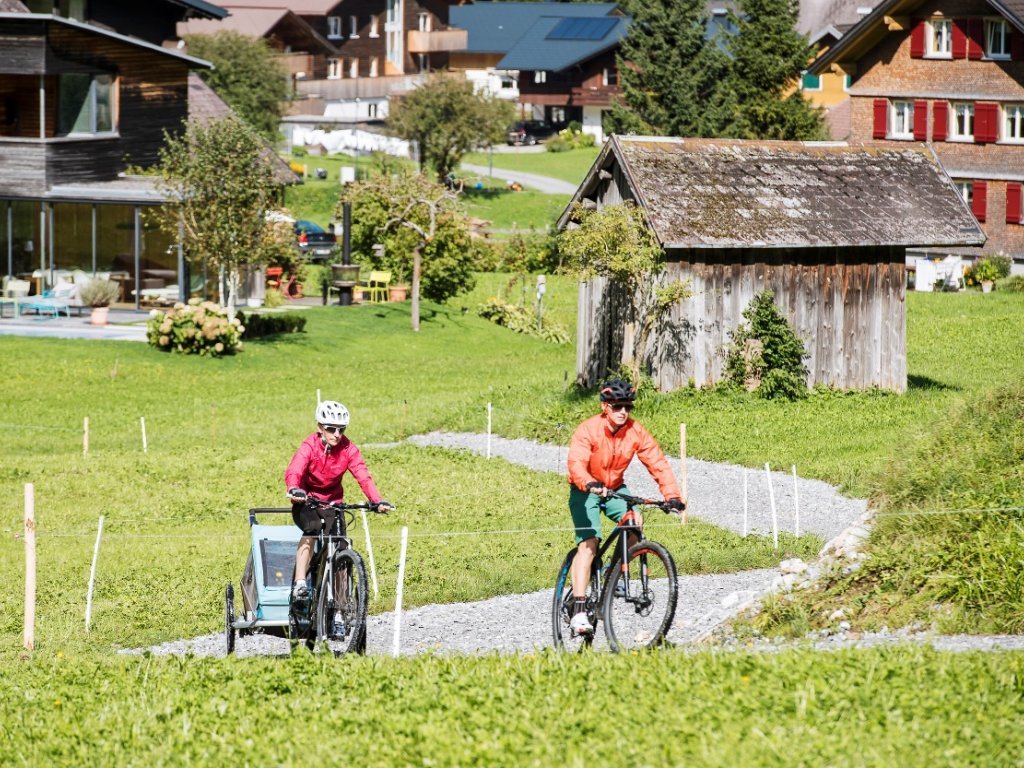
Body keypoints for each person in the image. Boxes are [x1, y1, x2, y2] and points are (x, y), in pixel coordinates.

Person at [565, 379, 685, 634]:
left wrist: (672, 495)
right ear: (605, 407)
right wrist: (588, 482)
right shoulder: (588, 430)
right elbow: (576, 463)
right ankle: (578, 609)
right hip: (585, 489)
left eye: (628, 407)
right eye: (618, 407)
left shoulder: (635, 431)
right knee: (589, 543)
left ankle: (614, 574)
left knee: (634, 522)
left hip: (615, 488)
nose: (623, 412)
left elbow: (657, 462)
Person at [285, 400, 391, 633]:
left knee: (342, 547)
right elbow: (294, 469)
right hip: (307, 501)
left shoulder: (348, 449)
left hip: (334, 503)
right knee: (311, 528)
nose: (337, 434)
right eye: (331, 429)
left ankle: (341, 611)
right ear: (320, 427)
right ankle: (300, 584)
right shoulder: (309, 446)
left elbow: (363, 475)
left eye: (341, 429)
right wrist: (294, 488)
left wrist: (377, 500)